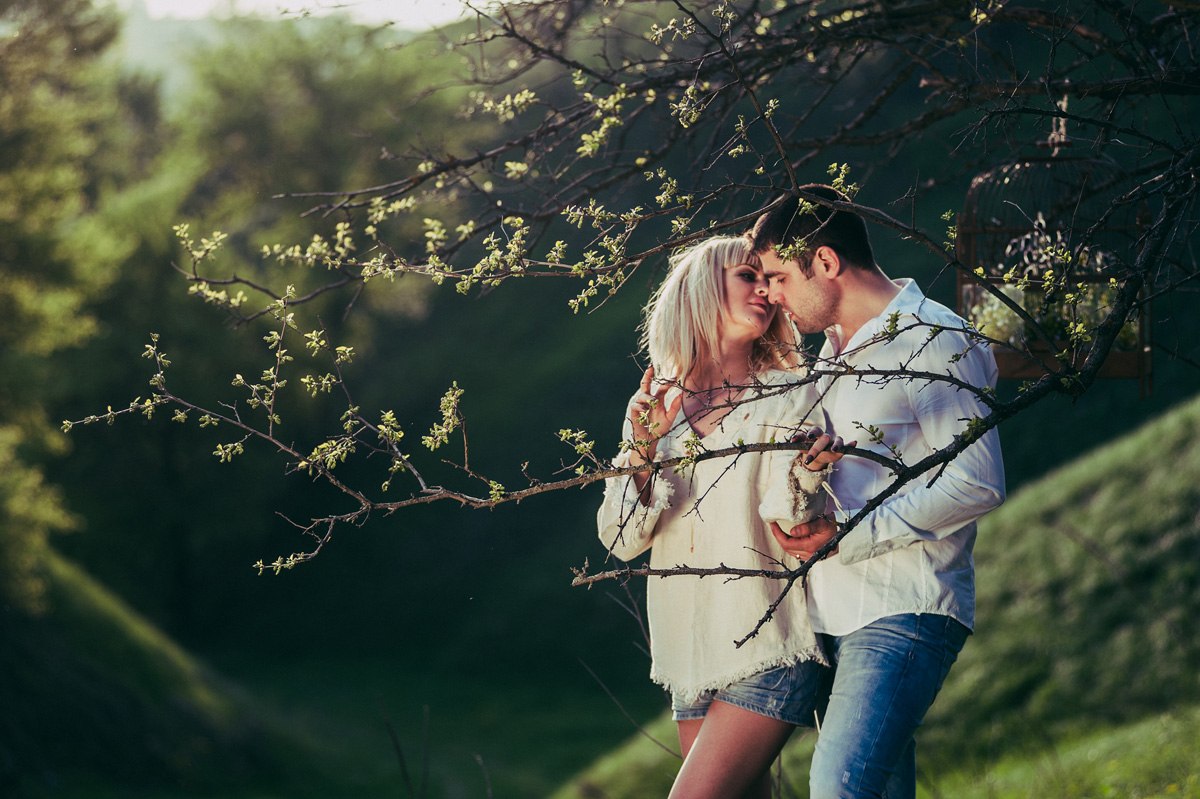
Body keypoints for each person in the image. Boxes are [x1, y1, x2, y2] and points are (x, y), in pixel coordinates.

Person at [750, 185, 1006, 799]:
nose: (773, 296)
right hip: (830, 614)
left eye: (780, 277)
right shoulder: (830, 356)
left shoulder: (932, 337)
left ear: (827, 262)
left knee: (838, 789)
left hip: (903, 606)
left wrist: (849, 533)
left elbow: (977, 480)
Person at [596, 235, 844, 799]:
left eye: (769, 280)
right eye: (747, 277)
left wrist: (806, 474)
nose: (765, 289)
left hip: (767, 646)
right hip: (689, 660)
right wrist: (642, 448)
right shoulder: (658, 407)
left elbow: (789, 520)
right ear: (704, 289)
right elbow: (620, 537)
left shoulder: (789, 395)